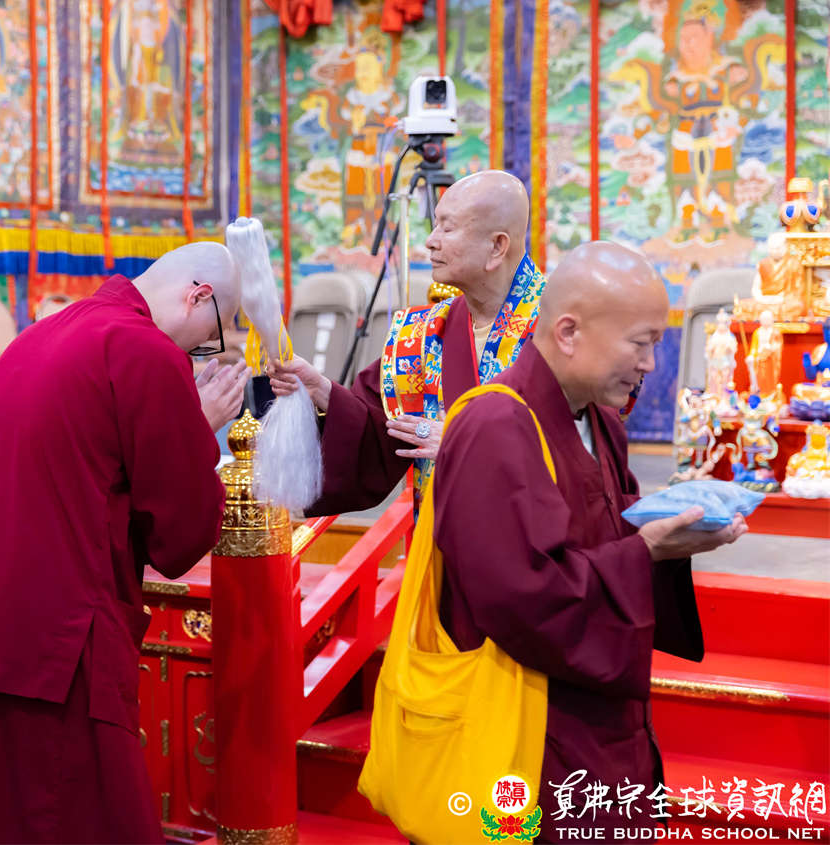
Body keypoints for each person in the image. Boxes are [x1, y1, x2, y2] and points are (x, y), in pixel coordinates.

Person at [0, 242, 244, 844]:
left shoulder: (36, 337)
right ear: (199, 296)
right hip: (58, 641)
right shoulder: (145, 350)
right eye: (211, 337)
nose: (200, 352)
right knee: (68, 815)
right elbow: (178, 535)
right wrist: (196, 427)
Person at [429, 241, 745, 840]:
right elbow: (518, 599)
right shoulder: (494, 426)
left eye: (656, 344)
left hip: (607, 715)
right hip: (533, 727)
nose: (650, 364)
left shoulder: (601, 421)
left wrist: (676, 526)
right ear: (569, 332)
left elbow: (604, 528)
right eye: (640, 343)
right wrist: (646, 551)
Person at [269, 170, 545, 513]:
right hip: (438, 539)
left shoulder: (559, 329)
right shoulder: (423, 333)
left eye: (447, 228)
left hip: (531, 537)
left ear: (497, 246)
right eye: (435, 225)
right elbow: (378, 429)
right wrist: (321, 390)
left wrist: (464, 442)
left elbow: (577, 450)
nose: (430, 241)